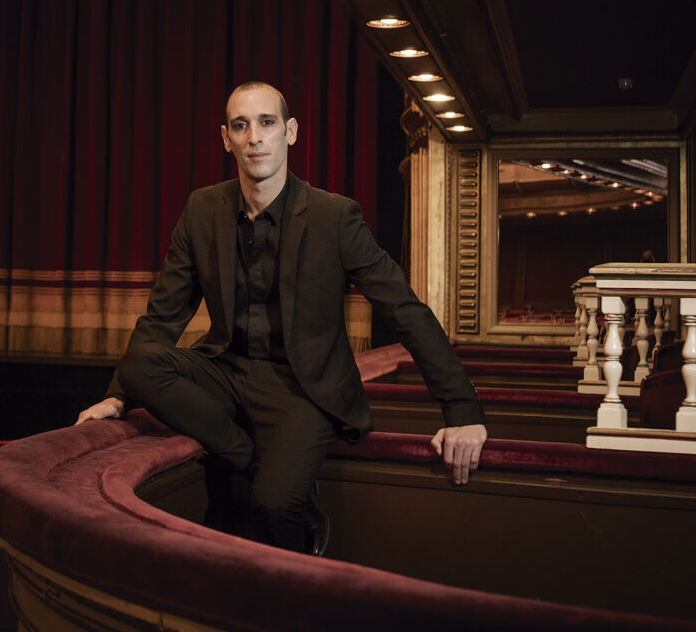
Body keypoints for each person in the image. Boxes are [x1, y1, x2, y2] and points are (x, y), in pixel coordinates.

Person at [77, 81, 487, 554]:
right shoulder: (202, 209)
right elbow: (162, 316)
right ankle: (250, 458)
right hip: (227, 372)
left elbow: (404, 310)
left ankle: (290, 568)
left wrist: (462, 409)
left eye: (267, 122)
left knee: (273, 506)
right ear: (226, 139)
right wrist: (117, 395)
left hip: (303, 387)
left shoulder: (335, 217)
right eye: (241, 125)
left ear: (290, 132)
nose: (255, 137)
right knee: (139, 362)